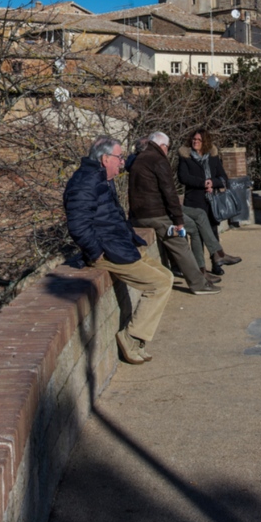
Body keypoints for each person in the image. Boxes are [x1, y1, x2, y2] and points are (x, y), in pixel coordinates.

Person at [64, 136, 172, 365]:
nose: (122, 162)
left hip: (122, 246)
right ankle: (131, 337)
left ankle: (136, 337)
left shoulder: (102, 177)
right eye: (119, 157)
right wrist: (96, 253)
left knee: (167, 276)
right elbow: (78, 224)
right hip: (110, 252)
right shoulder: (85, 182)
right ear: (105, 159)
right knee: (159, 284)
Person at [127, 131, 220, 294]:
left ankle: (195, 271)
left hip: (138, 215)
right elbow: (169, 192)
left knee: (187, 231)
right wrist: (178, 220)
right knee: (180, 243)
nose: (167, 152)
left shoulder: (139, 158)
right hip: (155, 214)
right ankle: (198, 284)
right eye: (167, 148)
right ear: (162, 146)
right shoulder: (158, 160)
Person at [177, 129, 241, 273]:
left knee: (213, 231)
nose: (195, 142)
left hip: (211, 202)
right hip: (194, 201)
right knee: (197, 236)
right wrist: (203, 183)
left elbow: (223, 177)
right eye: (194, 139)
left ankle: (217, 263)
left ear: (205, 142)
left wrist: (212, 183)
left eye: (199, 140)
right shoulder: (185, 157)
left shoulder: (212, 157)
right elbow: (183, 177)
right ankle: (200, 268)